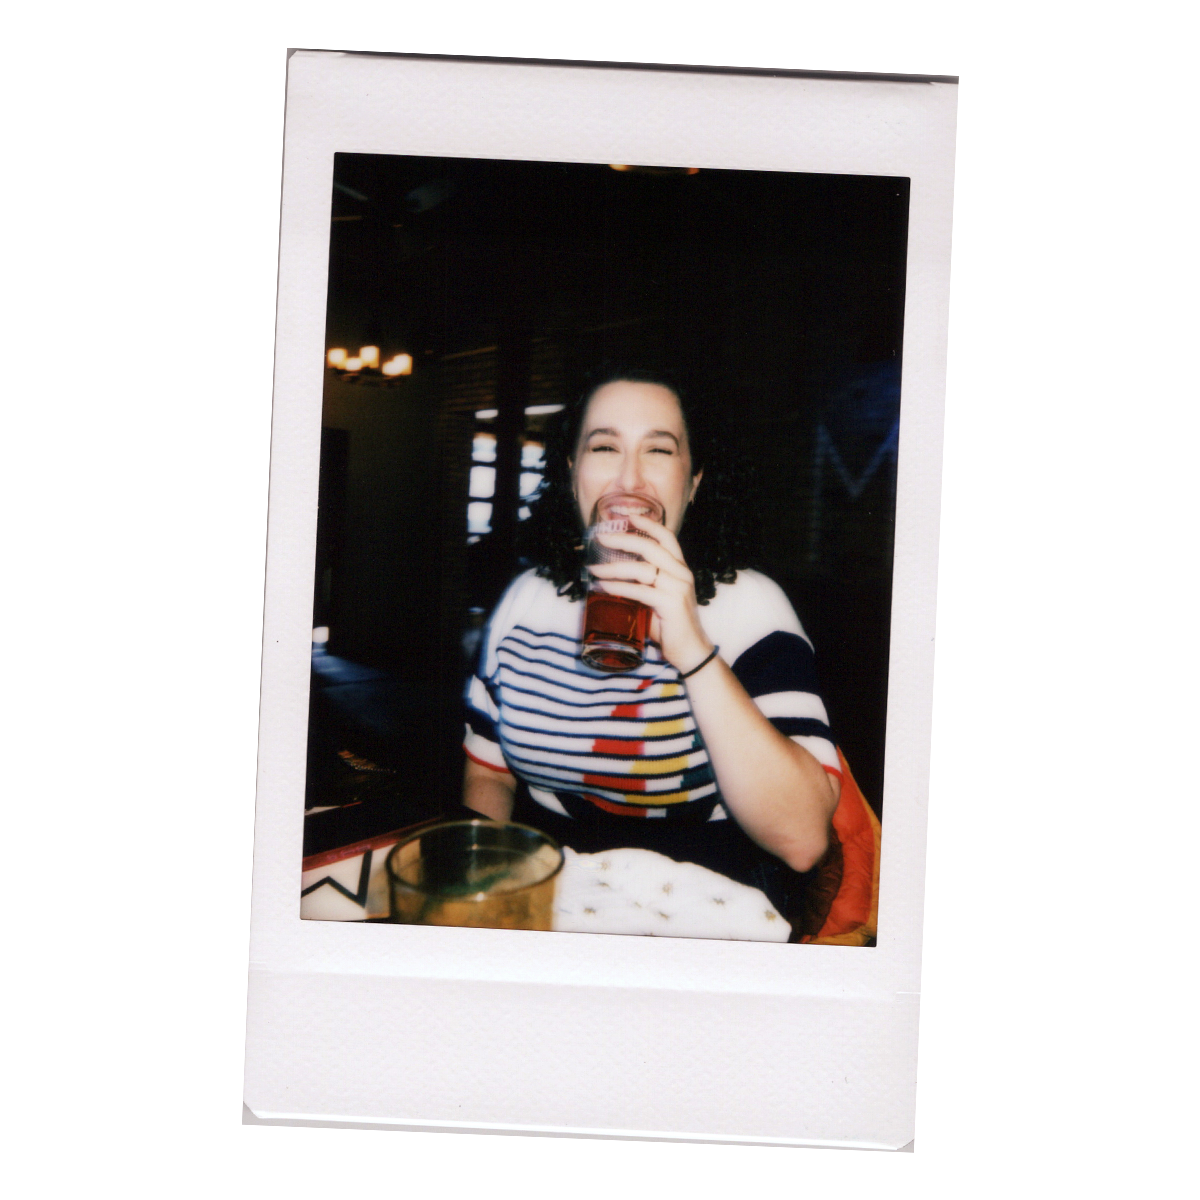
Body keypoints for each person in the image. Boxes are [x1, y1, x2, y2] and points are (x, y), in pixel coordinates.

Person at [462, 367, 842, 922]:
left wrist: (690, 644)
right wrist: (489, 894)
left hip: (705, 907)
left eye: (659, 451)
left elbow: (803, 841)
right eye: (605, 445)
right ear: (572, 473)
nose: (629, 481)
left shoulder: (752, 607)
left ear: (693, 483)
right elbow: (486, 772)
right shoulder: (524, 599)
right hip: (548, 894)